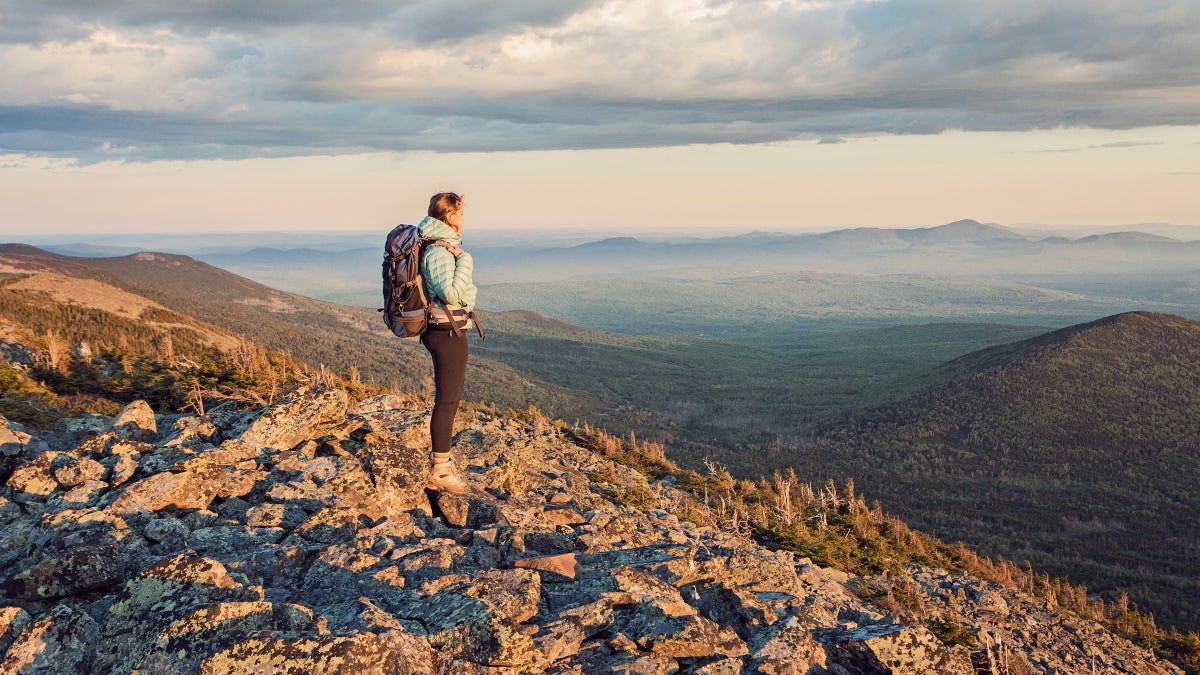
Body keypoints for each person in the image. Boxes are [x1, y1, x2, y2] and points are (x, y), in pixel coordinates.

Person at [418, 192, 477, 494]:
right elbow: (451, 294)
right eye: (460, 212)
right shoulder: (440, 251)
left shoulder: (437, 246)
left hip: (446, 328)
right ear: (448, 215)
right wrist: (465, 260)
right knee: (446, 401)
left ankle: (442, 463)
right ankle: (440, 470)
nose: (463, 217)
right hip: (445, 331)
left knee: (449, 399)